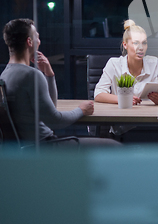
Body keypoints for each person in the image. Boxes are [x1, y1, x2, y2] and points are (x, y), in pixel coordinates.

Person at [0, 18, 119, 147]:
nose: (39, 42)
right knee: (113, 146)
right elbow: (55, 122)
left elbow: (50, 108)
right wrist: (81, 110)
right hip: (46, 146)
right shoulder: (31, 75)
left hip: (31, 148)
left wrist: (49, 75)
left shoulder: (6, 74)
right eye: (37, 38)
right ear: (29, 42)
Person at [95, 20, 158, 105]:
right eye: (136, 43)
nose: (141, 48)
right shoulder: (114, 64)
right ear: (125, 45)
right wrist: (123, 99)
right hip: (121, 114)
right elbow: (98, 94)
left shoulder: (155, 63)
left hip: (147, 115)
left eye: (144, 43)